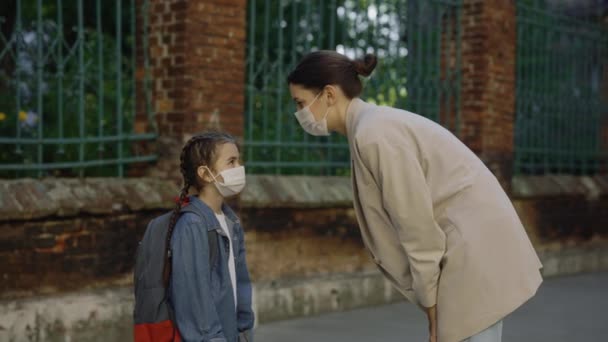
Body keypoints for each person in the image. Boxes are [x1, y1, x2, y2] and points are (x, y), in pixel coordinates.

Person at [287, 50, 543, 342]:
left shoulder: (374, 133)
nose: (300, 114)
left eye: (301, 103)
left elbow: (415, 225)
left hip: (472, 249)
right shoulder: (371, 126)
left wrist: (432, 306)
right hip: (468, 245)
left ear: (329, 94)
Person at [168, 131, 254, 342]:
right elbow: (194, 302)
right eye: (231, 162)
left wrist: (244, 331)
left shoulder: (230, 221)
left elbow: (240, 284)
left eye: (239, 161)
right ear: (206, 174)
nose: (239, 168)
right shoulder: (192, 226)